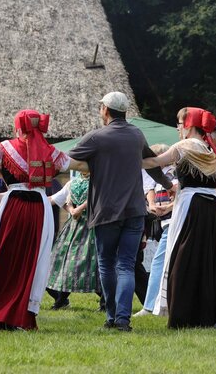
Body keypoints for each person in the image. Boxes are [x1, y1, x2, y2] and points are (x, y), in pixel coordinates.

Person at [65, 91, 172, 332]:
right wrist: (168, 184)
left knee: (106, 264)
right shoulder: (136, 135)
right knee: (126, 265)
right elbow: (152, 163)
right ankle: (123, 320)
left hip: (106, 211)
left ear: (105, 109)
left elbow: (69, 160)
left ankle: (111, 317)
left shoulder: (97, 137)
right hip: (134, 210)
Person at [0, 109, 70, 330]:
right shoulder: (50, 152)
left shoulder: (5, 148)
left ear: (18, 127)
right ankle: (21, 313)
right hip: (39, 206)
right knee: (31, 258)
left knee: (3, 254)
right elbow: (74, 164)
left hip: (14, 204)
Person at [142, 107, 216, 328]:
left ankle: (185, 316)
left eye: (180, 124)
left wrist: (130, 155)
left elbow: (154, 162)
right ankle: (213, 315)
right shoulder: (209, 148)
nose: (178, 129)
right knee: (211, 261)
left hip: (192, 208)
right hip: (213, 209)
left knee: (185, 260)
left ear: (189, 126)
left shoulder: (185, 146)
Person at [44, 172, 100, 311]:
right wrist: (71, 209)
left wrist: (79, 208)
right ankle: (61, 300)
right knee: (64, 261)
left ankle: (105, 300)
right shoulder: (73, 182)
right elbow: (58, 199)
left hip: (93, 225)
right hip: (74, 226)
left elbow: (97, 196)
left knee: (93, 264)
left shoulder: (99, 180)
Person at [133, 144, 175, 317]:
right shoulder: (161, 176)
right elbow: (149, 187)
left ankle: (150, 306)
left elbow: (180, 193)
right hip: (166, 222)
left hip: (173, 222)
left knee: (158, 263)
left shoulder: (173, 173)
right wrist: (152, 204)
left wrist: (167, 207)